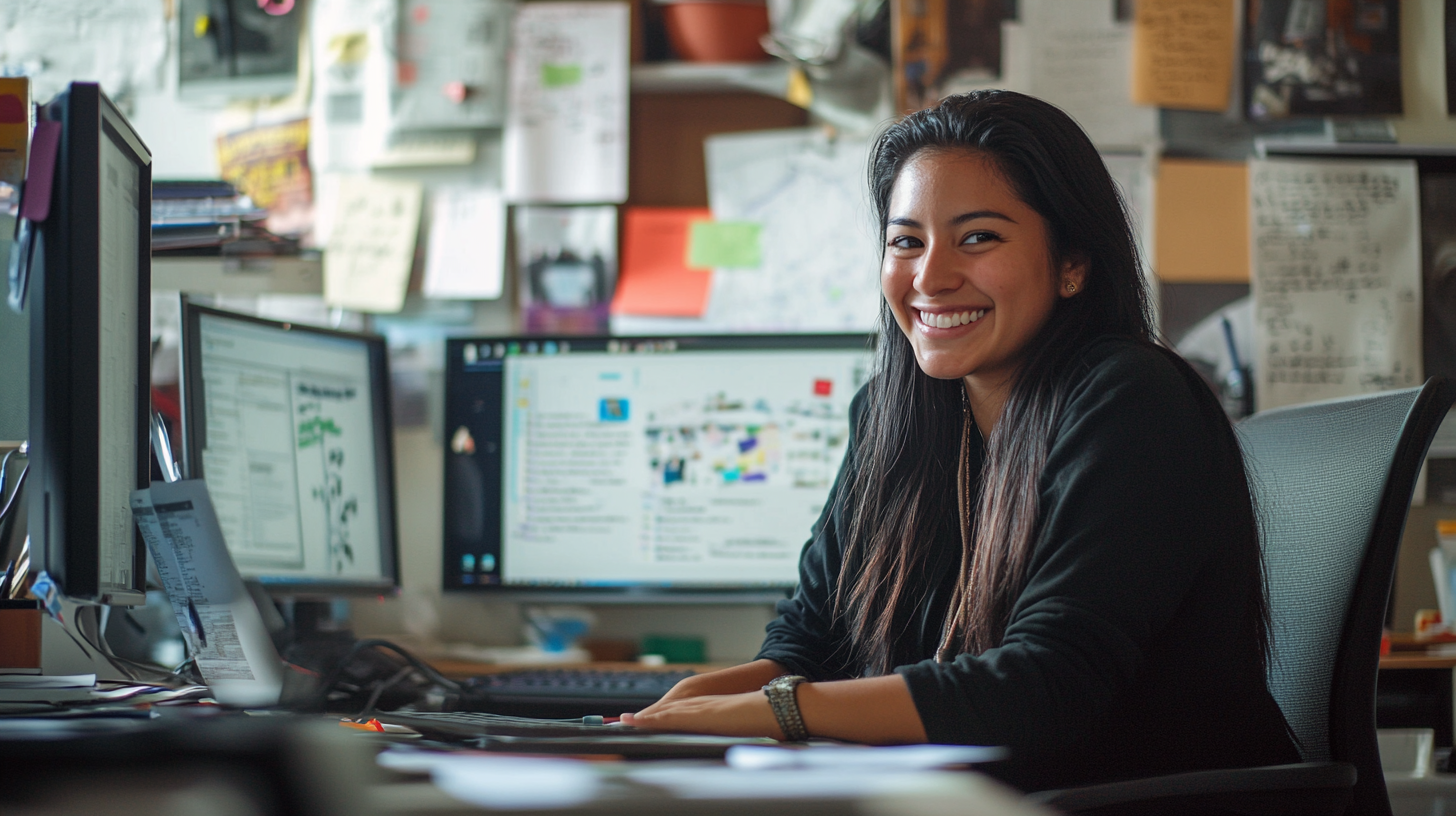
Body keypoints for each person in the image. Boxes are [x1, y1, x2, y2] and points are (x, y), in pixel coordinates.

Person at [620, 91, 1300, 792]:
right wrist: (684, 709)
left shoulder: (1131, 400)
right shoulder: (892, 413)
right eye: (906, 240)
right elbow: (810, 642)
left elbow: (1045, 688)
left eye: (977, 238)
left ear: (1073, 262)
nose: (930, 277)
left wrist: (777, 712)